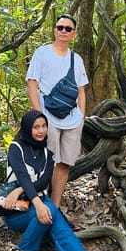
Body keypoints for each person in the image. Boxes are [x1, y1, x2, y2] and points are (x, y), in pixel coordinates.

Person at [1, 109, 103, 251]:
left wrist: (32, 198)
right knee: (49, 209)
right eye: (36, 127)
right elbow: (22, 175)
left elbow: (41, 182)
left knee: (52, 214)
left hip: (38, 203)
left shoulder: (49, 155)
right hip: (17, 211)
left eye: (43, 126)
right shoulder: (16, 148)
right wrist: (37, 203)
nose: (40, 131)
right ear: (27, 128)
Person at [26, 14, 88, 207]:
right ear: (54, 30)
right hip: (48, 116)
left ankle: (55, 206)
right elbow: (32, 83)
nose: (63, 31)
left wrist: (82, 117)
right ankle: (41, 205)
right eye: (60, 27)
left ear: (73, 34)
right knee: (46, 161)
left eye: (68, 29)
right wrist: (38, 115)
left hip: (72, 119)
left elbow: (81, 90)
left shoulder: (76, 59)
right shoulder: (42, 53)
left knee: (64, 163)